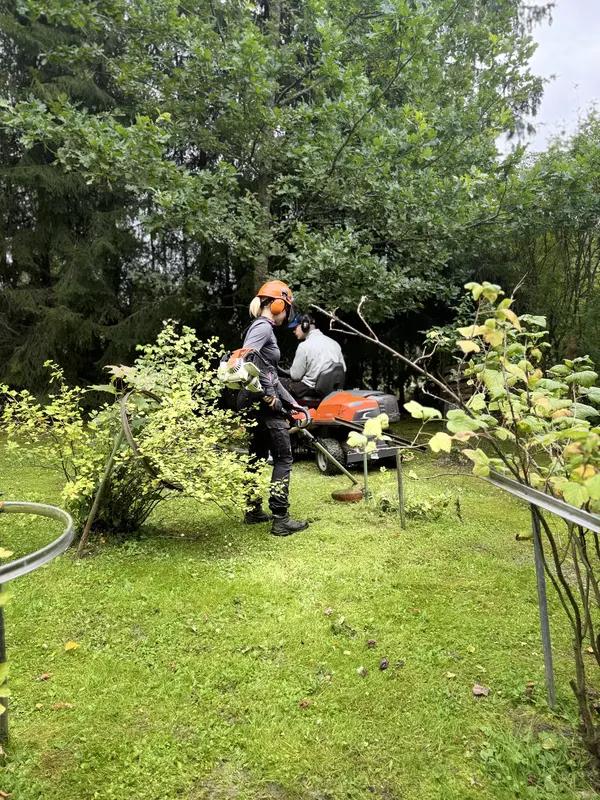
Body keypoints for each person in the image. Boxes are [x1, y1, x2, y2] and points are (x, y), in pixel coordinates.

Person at [238, 280, 309, 537]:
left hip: (252, 399)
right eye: (286, 308)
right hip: (262, 403)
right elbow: (246, 359)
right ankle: (281, 519)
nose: (287, 314)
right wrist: (269, 397)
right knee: (283, 457)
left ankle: (252, 509)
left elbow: (271, 375)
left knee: (256, 456)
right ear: (278, 304)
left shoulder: (260, 327)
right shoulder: (262, 327)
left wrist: (293, 404)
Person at [287, 314, 346, 400]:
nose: (294, 331)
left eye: (295, 328)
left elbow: (296, 376)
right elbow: (343, 369)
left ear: (304, 325)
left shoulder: (304, 346)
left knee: (278, 384)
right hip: (331, 391)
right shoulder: (334, 343)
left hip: (311, 389)